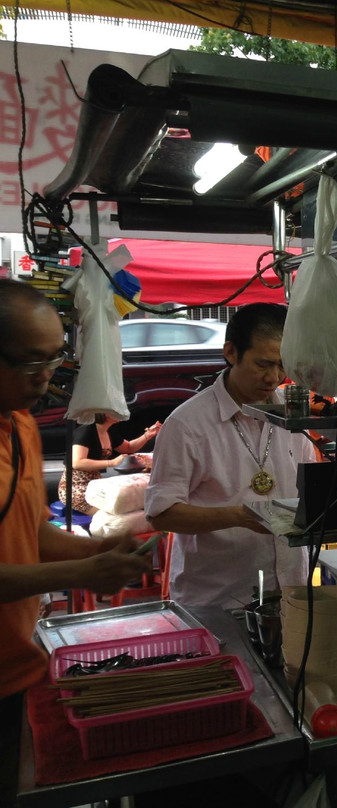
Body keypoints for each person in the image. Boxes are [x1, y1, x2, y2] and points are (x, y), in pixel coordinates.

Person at [0, 279, 150, 808]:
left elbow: (31, 533)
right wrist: (82, 574)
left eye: (55, 359)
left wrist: (97, 554)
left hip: (15, 662)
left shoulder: (20, 426)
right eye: (27, 362)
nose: (45, 377)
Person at [145, 303, 316, 609]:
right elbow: (161, 513)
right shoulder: (187, 425)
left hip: (291, 591)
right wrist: (240, 516)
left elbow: (310, 491)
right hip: (218, 600)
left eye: (282, 365)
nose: (274, 377)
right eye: (263, 364)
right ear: (231, 353)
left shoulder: (293, 418)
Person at [57, 414, 160, 515]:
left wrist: (148, 435)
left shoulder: (108, 431)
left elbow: (128, 447)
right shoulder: (85, 431)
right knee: (114, 514)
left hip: (96, 485)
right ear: (105, 413)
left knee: (131, 506)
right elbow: (77, 462)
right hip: (74, 488)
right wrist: (111, 462)